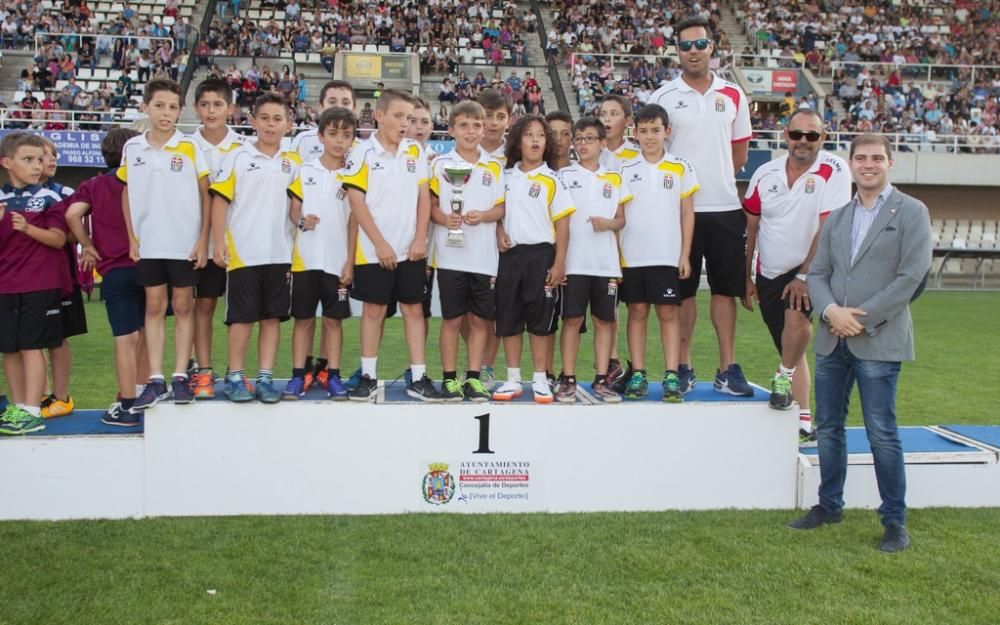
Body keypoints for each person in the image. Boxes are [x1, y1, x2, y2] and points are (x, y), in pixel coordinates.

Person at [787, 134, 932, 554]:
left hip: (878, 338)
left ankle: (894, 521)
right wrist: (831, 311)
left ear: (890, 163)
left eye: (876, 158)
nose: (868, 164)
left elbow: (911, 277)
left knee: (881, 432)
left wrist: (859, 317)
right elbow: (817, 273)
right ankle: (829, 505)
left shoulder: (912, 212)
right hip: (833, 338)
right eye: (861, 158)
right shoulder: (839, 217)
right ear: (850, 164)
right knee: (829, 428)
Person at [649, 15, 753, 397]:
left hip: (725, 206)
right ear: (676, 52)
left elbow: (739, 155)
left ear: (713, 47)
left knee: (725, 292)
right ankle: (685, 364)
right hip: (680, 211)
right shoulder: (662, 97)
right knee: (684, 293)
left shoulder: (734, 95)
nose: (693, 51)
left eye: (700, 44)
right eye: (685, 46)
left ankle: (728, 368)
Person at [741, 108, 851, 445]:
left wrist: (804, 275)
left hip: (811, 268)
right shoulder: (765, 173)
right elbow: (752, 226)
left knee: (797, 320)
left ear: (823, 138)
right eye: (797, 134)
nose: (803, 141)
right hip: (768, 273)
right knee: (791, 345)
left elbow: (829, 227)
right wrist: (746, 276)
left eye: (812, 135)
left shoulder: (834, 170)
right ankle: (803, 418)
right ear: (785, 135)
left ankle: (783, 379)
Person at [340, 89, 439, 401]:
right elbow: (357, 202)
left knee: (413, 310)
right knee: (373, 310)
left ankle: (419, 377)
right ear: (379, 116)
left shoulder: (415, 151)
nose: (405, 123)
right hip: (373, 251)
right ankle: (368, 376)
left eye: (409, 118)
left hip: (411, 250)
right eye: (399, 116)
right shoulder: (362, 153)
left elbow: (424, 197)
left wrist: (420, 237)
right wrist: (381, 244)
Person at [120, 78, 210, 412]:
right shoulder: (133, 148)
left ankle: (180, 376)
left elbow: (205, 194)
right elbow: (127, 193)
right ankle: (156, 379)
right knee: (154, 308)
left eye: (173, 107)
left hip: (184, 243)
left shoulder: (189, 146)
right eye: (159, 105)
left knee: (184, 307)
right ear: (145, 107)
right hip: (150, 244)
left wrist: (203, 240)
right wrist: (131, 236)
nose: (166, 113)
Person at [209, 93, 300, 403]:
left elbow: (298, 208)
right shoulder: (237, 157)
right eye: (265, 118)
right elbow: (219, 201)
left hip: (280, 254)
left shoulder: (294, 162)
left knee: (272, 318)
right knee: (242, 318)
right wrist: (218, 241)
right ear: (252, 122)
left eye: (277, 119)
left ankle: (264, 378)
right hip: (244, 253)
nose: (271, 125)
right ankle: (235, 376)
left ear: (288, 125)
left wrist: (304, 220)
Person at [63, 128, 150, 426]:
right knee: (148, 334)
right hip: (150, 264)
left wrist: (87, 246)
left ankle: (126, 405)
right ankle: (142, 397)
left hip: (116, 267)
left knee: (125, 338)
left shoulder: (95, 184)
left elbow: (73, 215)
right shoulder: (145, 179)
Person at [491, 115, 575, 404]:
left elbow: (563, 225)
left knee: (540, 320)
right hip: (510, 257)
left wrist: (559, 263)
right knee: (509, 318)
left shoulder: (553, 179)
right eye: (529, 135)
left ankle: (540, 378)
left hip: (542, 255)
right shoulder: (505, 177)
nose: (536, 140)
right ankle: (513, 378)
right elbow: (498, 214)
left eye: (541, 135)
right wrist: (499, 231)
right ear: (518, 141)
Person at [618, 104, 697, 401]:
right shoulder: (625, 169)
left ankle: (672, 375)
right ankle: (638, 373)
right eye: (643, 131)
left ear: (667, 131)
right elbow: (619, 214)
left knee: (667, 313)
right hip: (633, 255)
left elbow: (687, 213)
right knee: (637, 311)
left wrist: (685, 254)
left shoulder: (680, 167)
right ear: (635, 133)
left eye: (655, 130)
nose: (649, 137)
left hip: (666, 255)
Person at [428, 100, 505, 402]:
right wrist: (445, 219)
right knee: (451, 319)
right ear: (451, 130)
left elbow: (501, 208)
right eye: (463, 125)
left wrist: (484, 216)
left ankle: (473, 377)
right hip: (450, 256)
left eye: (476, 125)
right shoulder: (439, 165)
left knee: (479, 320)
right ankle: (449, 379)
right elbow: (431, 207)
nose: (471, 131)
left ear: (484, 127)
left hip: (484, 258)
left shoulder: (494, 167)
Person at [283, 107, 357, 400]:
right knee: (303, 319)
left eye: (347, 135)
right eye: (334, 133)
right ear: (321, 135)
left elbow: (354, 221)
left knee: (333, 321)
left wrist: (349, 262)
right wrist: (301, 220)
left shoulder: (353, 175)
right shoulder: (305, 170)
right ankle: (297, 376)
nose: (340, 141)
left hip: (337, 261)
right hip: (306, 260)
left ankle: (333, 375)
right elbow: (293, 209)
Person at [555, 117, 629, 403]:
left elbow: (621, 219)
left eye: (589, 139)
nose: (582, 144)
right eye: (578, 139)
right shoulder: (563, 176)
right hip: (574, 263)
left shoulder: (615, 178)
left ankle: (601, 379)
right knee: (572, 320)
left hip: (605, 264)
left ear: (602, 143)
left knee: (605, 321)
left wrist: (608, 224)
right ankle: (568, 378)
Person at [0, 132, 68, 434]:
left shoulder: (50, 197)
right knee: (10, 350)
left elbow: (58, 239)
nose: (37, 166)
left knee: (32, 347)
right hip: (5, 285)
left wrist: (27, 228)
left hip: (40, 283)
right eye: (28, 160)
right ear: (7, 163)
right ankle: (16, 408)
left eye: (39, 160)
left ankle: (31, 409)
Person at [188, 78, 247, 399]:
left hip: (237, 244)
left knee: (239, 310)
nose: (211, 111)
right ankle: (204, 371)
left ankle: (236, 371)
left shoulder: (243, 148)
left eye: (218, 104)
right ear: (196, 107)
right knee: (204, 305)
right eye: (205, 104)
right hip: (200, 243)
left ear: (231, 109)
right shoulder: (186, 145)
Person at [39, 138, 83, 419]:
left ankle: (61, 395)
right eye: (45, 155)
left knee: (57, 337)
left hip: (59, 273)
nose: (53, 159)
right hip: (25, 276)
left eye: (54, 154)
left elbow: (70, 234)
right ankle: (40, 395)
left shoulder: (63, 193)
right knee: (28, 339)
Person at [475, 88, 512, 389]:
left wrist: (500, 229)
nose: (493, 122)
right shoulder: (463, 151)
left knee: (497, 310)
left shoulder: (513, 155)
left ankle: (486, 366)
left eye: (500, 116)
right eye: (488, 116)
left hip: (504, 244)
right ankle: (473, 360)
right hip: (466, 242)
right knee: (464, 311)